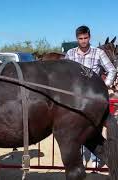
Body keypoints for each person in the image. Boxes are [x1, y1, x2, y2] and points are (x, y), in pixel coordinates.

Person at [65, 25, 117, 168]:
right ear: (77, 39)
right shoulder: (70, 53)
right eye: (80, 38)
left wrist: (104, 86)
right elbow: (63, 74)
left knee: (94, 128)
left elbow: (112, 70)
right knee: (76, 128)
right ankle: (79, 157)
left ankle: (95, 159)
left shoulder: (98, 53)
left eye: (85, 38)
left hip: (92, 99)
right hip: (74, 98)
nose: (83, 41)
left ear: (89, 37)